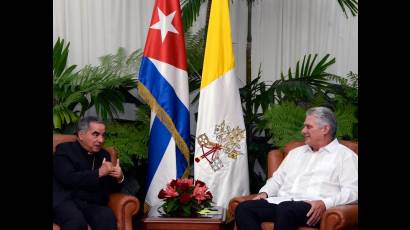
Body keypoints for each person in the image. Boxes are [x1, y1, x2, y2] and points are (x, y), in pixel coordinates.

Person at [235, 107, 358, 230]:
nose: (303, 131)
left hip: (313, 207)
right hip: (282, 203)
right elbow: (277, 180)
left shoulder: (345, 156)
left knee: (286, 209)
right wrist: (265, 192)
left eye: (308, 127)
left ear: (325, 129)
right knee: (244, 208)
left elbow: (353, 192)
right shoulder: (295, 153)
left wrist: (325, 203)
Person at [53, 116, 125, 230]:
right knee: (76, 222)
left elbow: (110, 188)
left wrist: (119, 177)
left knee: (106, 216)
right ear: (81, 135)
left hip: (91, 203)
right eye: (96, 135)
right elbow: (67, 178)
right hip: (66, 201)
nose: (101, 140)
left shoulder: (104, 155)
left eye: (103, 135)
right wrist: (99, 173)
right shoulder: (64, 150)